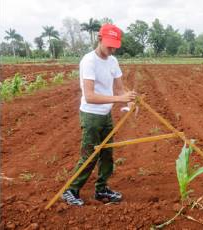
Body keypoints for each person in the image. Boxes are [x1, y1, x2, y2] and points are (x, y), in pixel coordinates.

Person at [61, 24, 137, 206]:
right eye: (109, 45)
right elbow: (90, 96)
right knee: (90, 155)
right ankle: (71, 190)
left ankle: (101, 189)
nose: (111, 49)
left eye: (114, 46)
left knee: (107, 155)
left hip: (105, 115)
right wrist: (120, 99)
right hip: (91, 116)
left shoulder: (113, 61)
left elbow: (120, 88)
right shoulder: (89, 61)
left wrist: (129, 100)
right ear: (99, 39)